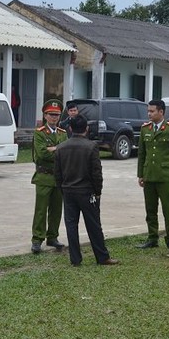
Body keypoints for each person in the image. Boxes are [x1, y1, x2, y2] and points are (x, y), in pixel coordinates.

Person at [54, 114, 118, 266]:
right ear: (87, 129)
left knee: (71, 226)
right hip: (86, 191)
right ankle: (102, 257)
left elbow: (58, 173)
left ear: (70, 128)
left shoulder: (61, 147)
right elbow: (96, 172)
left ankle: (75, 259)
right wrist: (98, 191)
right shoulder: (91, 146)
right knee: (94, 225)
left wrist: (62, 189)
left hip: (68, 191)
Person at [136, 99, 169, 253]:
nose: (149, 114)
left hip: (165, 177)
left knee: (168, 210)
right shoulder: (145, 129)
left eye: (152, 111)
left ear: (161, 112)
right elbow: (141, 153)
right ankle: (152, 238)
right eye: (148, 111)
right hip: (149, 176)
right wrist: (140, 174)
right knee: (150, 209)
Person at [30, 99, 68, 254]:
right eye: (51, 114)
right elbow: (41, 154)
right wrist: (57, 150)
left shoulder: (62, 133)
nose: (54, 117)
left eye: (57, 115)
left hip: (59, 177)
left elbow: (66, 153)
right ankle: (37, 240)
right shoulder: (39, 133)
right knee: (40, 210)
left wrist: (54, 149)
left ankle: (52, 236)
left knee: (56, 210)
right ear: (45, 115)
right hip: (44, 177)